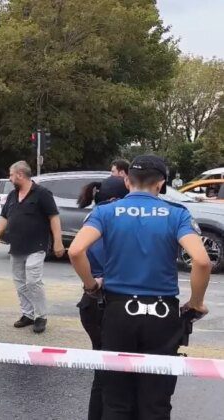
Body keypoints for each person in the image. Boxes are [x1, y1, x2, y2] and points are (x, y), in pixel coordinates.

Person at [68, 155, 210, 419]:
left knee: (115, 399)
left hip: (118, 310)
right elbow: (201, 261)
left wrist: (91, 286)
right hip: (162, 314)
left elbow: (76, 250)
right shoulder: (176, 214)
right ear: (161, 183)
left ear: (126, 179)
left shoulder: (106, 212)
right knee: (155, 401)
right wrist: (196, 302)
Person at [75, 176, 130, 420]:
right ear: (117, 198)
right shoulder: (111, 218)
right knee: (115, 377)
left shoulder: (94, 216)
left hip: (91, 304)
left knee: (103, 371)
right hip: (108, 302)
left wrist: (89, 285)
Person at [0, 161, 64, 333]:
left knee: (33, 281)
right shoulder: (12, 195)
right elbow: (4, 218)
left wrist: (58, 242)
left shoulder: (42, 194)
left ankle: (41, 316)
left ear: (20, 175)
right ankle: (27, 314)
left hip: (36, 245)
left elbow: (54, 218)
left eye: (11, 174)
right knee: (20, 283)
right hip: (16, 246)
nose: (9, 178)